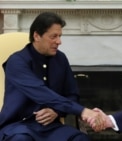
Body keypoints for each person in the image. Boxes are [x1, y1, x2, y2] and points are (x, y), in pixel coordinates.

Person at [0, 12, 103, 141]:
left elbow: (72, 94)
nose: (59, 41)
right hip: (18, 125)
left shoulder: (60, 58)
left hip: (51, 128)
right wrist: (82, 111)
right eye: (53, 36)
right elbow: (40, 92)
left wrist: (56, 111)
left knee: (80, 138)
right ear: (37, 36)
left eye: (60, 36)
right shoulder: (16, 61)